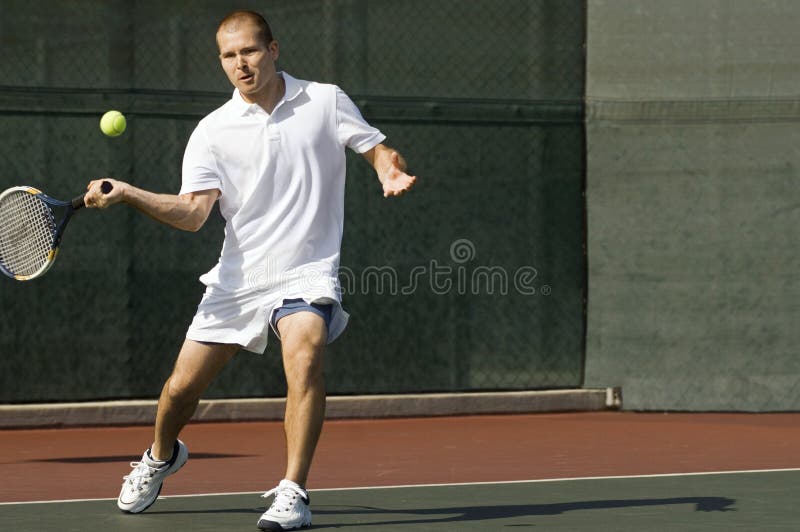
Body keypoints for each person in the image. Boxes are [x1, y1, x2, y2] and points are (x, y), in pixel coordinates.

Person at [84, 9, 416, 531]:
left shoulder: (325, 100)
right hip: (238, 280)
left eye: (250, 51)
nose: (241, 64)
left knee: (304, 355)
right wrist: (128, 193)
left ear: (274, 49)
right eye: (229, 55)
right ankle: (160, 456)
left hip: (308, 269)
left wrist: (387, 168)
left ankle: (293, 492)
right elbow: (194, 214)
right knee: (178, 393)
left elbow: (375, 148)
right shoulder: (212, 131)